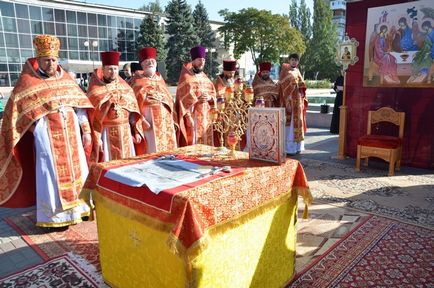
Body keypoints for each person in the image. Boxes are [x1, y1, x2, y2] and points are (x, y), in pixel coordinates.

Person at [0, 35, 94, 228]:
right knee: (50, 175)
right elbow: (16, 115)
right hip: (47, 138)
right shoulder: (28, 82)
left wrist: (86, 131)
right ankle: (56, 217)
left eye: (53, 60)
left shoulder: (67, 80)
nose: (50, 63)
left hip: (72, 138)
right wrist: (37, 130)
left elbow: (81, 108)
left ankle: (80, 209)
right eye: (46, 60)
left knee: (79, 172)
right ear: (39, 60)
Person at [87, 51, 143, 162]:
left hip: (125, 131)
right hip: (106, 133)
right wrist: (98, 138)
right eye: (109, 69)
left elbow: (133, 112)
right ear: (103, 70)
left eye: (115, 69)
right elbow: (92, 117)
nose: (113, 72)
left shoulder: (126, 88)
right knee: (109, 162)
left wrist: (135, 130)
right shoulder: (95, 89)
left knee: (127, 163)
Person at [130, 47, 177, 153]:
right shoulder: (137, 82)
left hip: (166, 123)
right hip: (148, 122)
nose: (150, 63)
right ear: (142, 65)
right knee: (151, 151)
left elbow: (170, 102)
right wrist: (141, 120)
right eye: (147, 61)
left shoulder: (161, 81)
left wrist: (173, 119)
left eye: (152, 61)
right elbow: (132, 107)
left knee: (168, 154)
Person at [176, 45, 217, 147]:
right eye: (199, 59)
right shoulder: (186, 78)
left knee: (208, 146)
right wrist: (196, 100)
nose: (202, 62)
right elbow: (181, 100)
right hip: (193, 117)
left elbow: (214, 95)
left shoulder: (206, 79)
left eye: (203, 59)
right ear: (193, 61)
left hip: (207, 118)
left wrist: (210, 98)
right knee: (194, 146)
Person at [278, 53, 308, 155]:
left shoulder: (297, 71)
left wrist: (302, 97)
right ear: (289, 60)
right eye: (292, 60)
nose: (294, 61)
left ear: (298, 62)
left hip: (298, 101)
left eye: (296, 60)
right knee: (290, 126)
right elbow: (283, 88)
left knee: (298, 123)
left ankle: (297, 147)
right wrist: (287, 103)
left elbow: (302, 86)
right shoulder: (285, 71)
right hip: (289, 101)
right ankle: (289, 149)